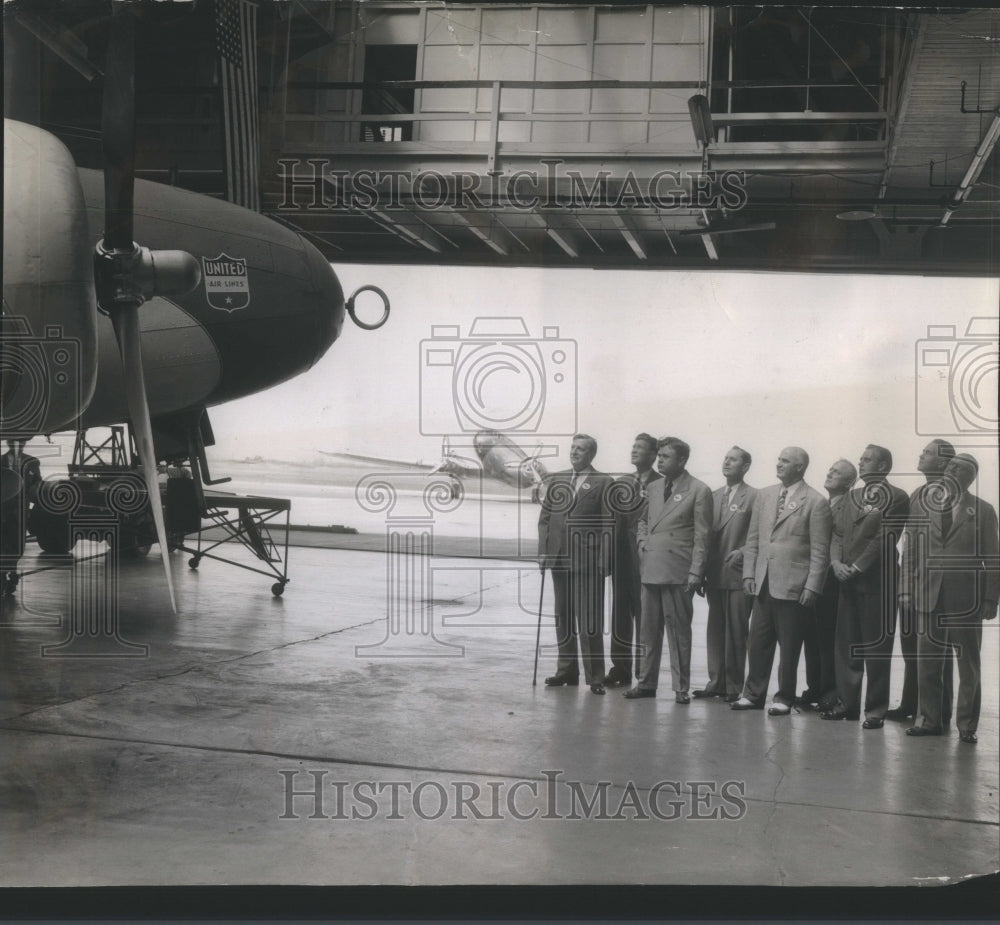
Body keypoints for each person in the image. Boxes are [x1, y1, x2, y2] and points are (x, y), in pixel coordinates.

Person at [902, 453, 998, 744]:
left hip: (966, 600)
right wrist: (905, 588)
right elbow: (910, 551)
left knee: (968, 665)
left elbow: (993, 558)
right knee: (927, 662)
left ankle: (967, 726)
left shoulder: (982, 510)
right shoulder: (921, 505)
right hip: (927, 594)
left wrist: (991, 599)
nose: (949, 470)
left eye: (957, 468)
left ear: (970, 477)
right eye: (949, 465)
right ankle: (929, 721)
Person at [732, 447, 832, 715]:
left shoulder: (816, 502)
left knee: (789, 647)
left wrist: (812, 586)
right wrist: (749, 574)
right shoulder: (764, 496)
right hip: (763, 582)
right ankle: (752, 694)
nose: (778, 464)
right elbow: (752, 540)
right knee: (758, 642)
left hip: (794, 586)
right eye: (778, 460)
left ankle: (784, 697)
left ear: (800, 467)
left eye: (785, 461)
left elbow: (821, 551)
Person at [822, 446, 908, 728]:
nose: (861, 461)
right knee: (846, 646)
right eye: (861, 458)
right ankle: (846, 705)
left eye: (867, 459)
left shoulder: (897, 497)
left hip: (877, 583)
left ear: (883, 466)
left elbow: (884, 538)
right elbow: (837, 533)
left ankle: (875, 711)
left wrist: (856, 567)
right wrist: (835, 563)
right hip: (846, 580)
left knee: (877, 649)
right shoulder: (851, 496)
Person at [624, 437, 712, 703]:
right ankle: (646, 683)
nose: (659, 460)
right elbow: (642, 521)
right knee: (648, 632)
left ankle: (680, 688)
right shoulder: (653, 487)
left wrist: (696, 572)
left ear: (682, 460)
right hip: (651, 567)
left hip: (678, 571)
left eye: (665, 456)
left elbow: (703, 536)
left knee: (678, 633)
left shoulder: (699, 490)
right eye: (659, 455)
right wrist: (642, 543)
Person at [538, 434, 614, 695]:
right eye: (572, 448)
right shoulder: (557, 479)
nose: (574, 452)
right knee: (563, 617)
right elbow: (546, 518)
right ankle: (566, 670)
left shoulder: (604, 482)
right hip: (559, 557)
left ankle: (595, 677)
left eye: (580, 449)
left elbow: (608, 524)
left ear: (591, 454)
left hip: (588, 560)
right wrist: (543, 552)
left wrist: (605, 559)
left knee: (589, 620)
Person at [887, 439, 955, 722]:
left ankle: (937, 711)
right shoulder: (917, 494)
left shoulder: (953, 495)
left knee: (937, 653)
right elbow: (909, 544)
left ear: (942, 462)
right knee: (911, 648)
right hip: (913, 584)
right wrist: (904, 588)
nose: (921, 455)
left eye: (927, 453)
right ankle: (910, 705)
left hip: (939, 589)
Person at [693, 446, 757, 702]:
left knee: (736, 630)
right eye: (725, 458)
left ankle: (733, 686)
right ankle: (715, 682)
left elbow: (759, 534)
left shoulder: (754, 497)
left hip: (739, 574)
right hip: (714, 574)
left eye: (733, 459)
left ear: (745, 467)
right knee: (715, 629)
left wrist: (743, 551)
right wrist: (699, 572)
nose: (727, 462)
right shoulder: (713, 495)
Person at [605, 433, 661, 687]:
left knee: (645, 615)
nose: (634, 451)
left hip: (646, 558)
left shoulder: (662, 484)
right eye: (633, 446)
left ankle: (643, 671)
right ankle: (620, 667)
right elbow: (610, 520)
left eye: (640, 447)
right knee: (619, 613)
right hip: (620, 558)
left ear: (653, 455)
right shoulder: (621, 483)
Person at [1, 439, 42, 596]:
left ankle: (11, 571)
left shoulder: (32, 462)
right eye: (13, 442)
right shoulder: (1, 460)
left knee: (18, 547)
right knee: (3, 545)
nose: (16, 445)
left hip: (20, 512)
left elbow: (37, 484)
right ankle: (5, 575)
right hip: (3, 511)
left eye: (20, 442)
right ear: (8, 443)